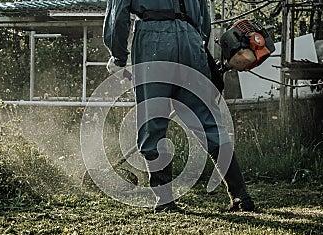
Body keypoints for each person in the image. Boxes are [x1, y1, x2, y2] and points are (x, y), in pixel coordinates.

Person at [103, 0, 255, 213]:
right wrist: (193, 42)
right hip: (191, 39)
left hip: (151, 41)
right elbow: (204, 19)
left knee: (152, 122)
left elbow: (117, 16)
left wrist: (118, 56)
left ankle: (164, 201)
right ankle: (241, 196)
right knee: (208, 123)